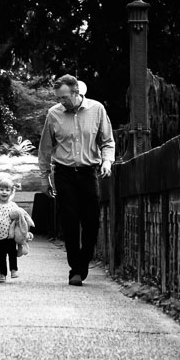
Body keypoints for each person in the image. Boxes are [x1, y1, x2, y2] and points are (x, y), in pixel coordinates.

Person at [38, 74, 114, 286]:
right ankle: (76, 269)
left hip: (89, 172)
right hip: (64, 173)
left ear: (76, 92)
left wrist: (107, 162)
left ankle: (84, 261)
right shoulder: (54, 114)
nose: (60, 102)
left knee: (91, 222)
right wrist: (44, 178)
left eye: (64, 97)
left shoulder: (97, 109)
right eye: (58, 98)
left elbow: (107, 141)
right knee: (69, 223)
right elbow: (45, 149)